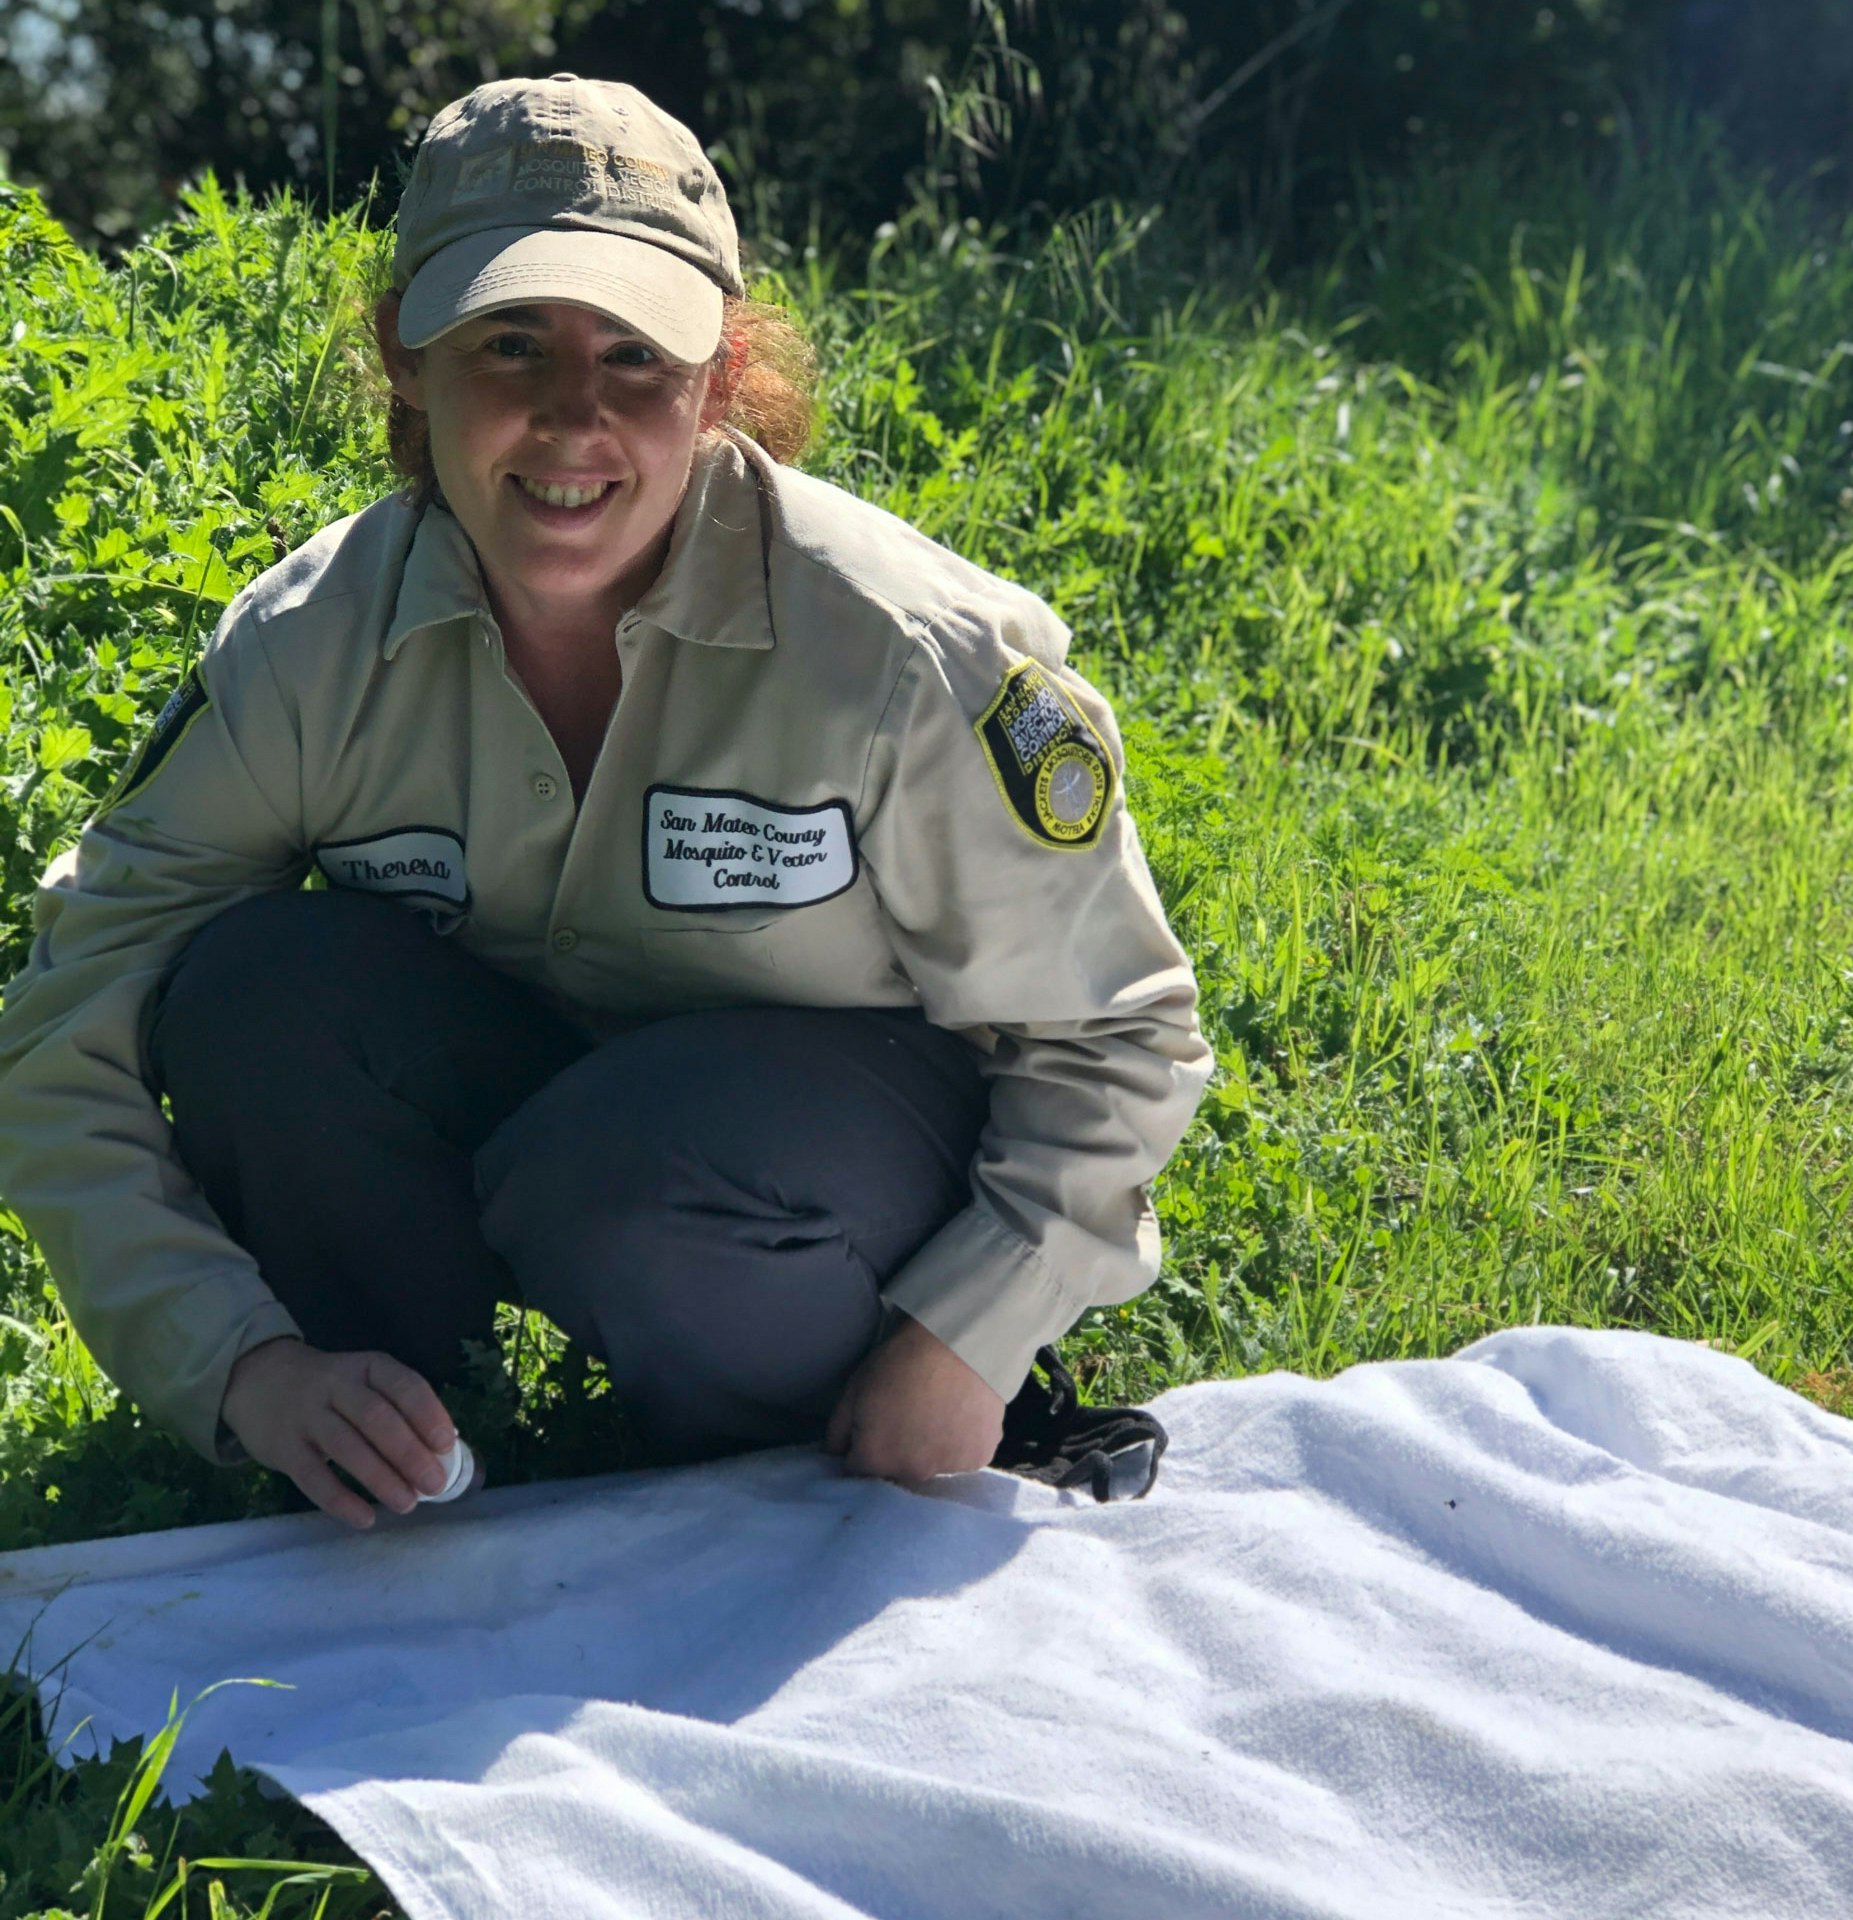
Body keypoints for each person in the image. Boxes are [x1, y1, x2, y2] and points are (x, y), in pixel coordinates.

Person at [0, 74, 1212, 1532]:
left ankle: (847, 1431)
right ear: (408, 358)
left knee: (628, 1171)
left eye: (636, 354)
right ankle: (406, 1443)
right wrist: (243, 1365)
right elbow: (67, 1025)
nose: (574, 416)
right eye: (511, 341)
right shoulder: (309, 648)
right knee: (257, 988)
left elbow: (1119, 1030)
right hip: (565, 1129)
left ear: (720, 380)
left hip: (822, 1162)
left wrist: (972, 1333)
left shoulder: (902, 657)